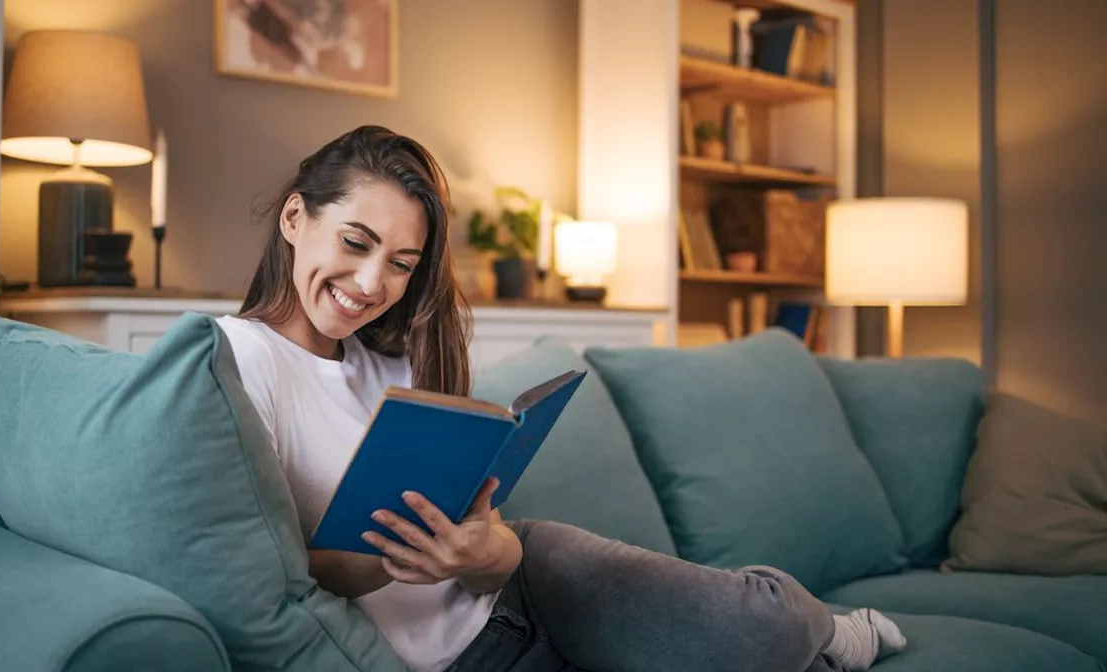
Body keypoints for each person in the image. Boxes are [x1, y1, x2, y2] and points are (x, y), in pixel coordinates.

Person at [217, 125, 908, 672]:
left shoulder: (389, 364)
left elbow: (488, 545)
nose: (372, 283)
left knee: (767, 627)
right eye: (356, 242)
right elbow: (275, 574)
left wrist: (485, 552)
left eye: (401, 264)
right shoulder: (240, 357)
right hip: (473, 654)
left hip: (532, 579)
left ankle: (826, 628)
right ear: (294, 218)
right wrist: (421, 549)